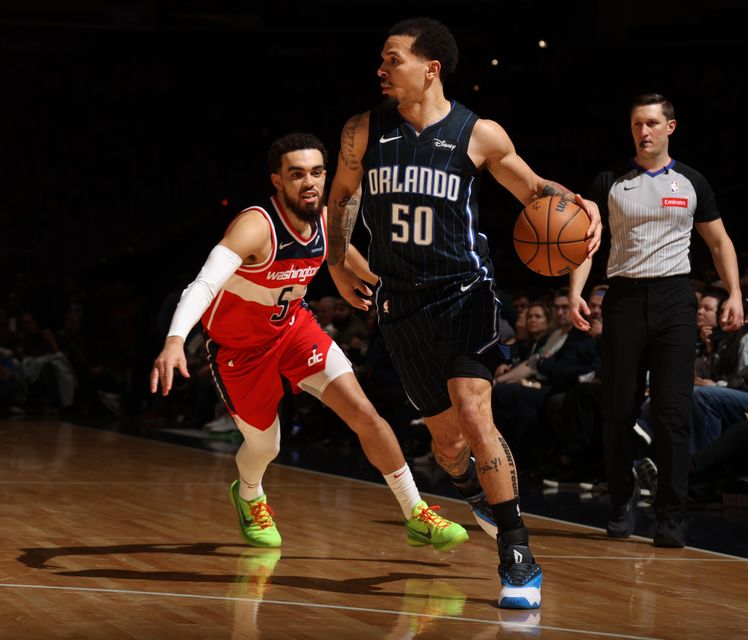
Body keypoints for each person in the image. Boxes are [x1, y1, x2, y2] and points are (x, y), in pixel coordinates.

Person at [324, 17, 601, 609]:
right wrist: (338, 261)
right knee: (448, 446)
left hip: (465, 293)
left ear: (431, 67)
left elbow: (533, 192)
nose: (380, 68)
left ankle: (518, 554)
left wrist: (578, 204)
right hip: (401, 302)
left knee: (477, 415)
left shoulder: (479, 134)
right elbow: (342, 197)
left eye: (391, 58)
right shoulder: (361, 131)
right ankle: (471, 487)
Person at [150, 132, 467, 553]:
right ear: (277, 181)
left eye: (317, 171)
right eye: (297, 174)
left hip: (295, 331)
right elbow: (205, 283)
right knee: (267, 445)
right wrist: (175, 340)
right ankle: (248, 494)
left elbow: (343, 251)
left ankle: (416, 513)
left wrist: (398, 288)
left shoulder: (323, 216)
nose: (310, 182)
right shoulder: (255, 226)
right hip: (241, 351)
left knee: (364, 414)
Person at [568, 93, 744, 548]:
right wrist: (575, 292)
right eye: (635, 124)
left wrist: (735, 294)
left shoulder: (691, 182)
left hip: (674, 299)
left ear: (670, 128)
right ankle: (620, 503)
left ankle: (670, 515)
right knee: (618, 411)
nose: (642, 132)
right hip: (624, 299)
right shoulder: (610, 180)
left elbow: (720, 243)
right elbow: (585, 243)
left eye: (650, 123)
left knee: (672, 413)